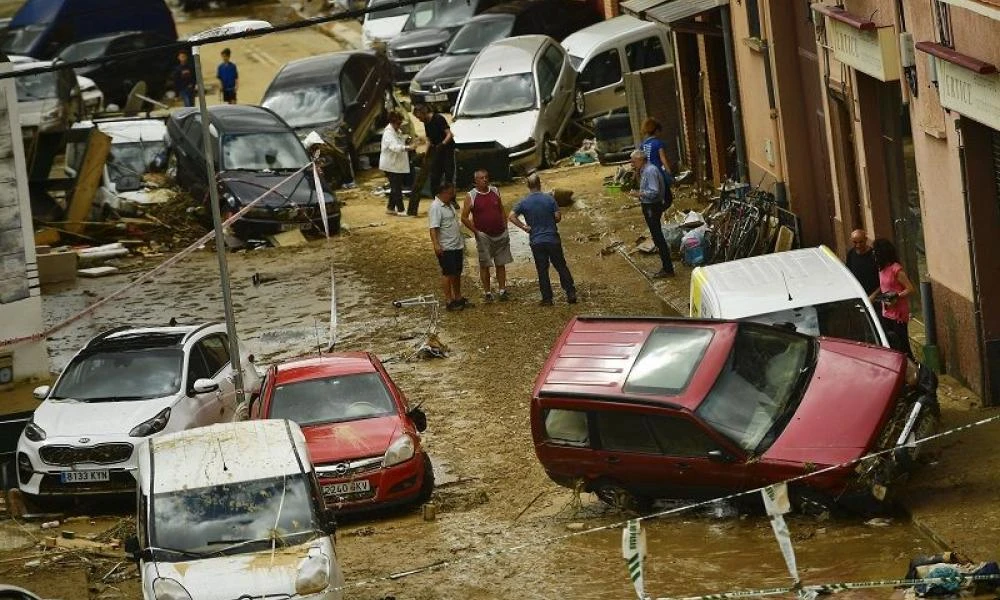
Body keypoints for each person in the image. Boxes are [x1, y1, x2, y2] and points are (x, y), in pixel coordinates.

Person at [509, 173, 576, 306]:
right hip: (552, 239)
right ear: (540, 184)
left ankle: (547, 299)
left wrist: (524, 227)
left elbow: (511, 216)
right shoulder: (550, 199)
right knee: (561, 266)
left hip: (536, 241)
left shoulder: (523, 202)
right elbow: (557, 217)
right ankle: (570, 293)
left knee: (542, 270)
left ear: (528, 186)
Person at [461, 169, 512, 302]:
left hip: (500, 233)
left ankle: (502, 290)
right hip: (484, 236)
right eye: (482, 178)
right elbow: (464, 218)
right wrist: (476, 232)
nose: (485, 180)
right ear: (476, 181)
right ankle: (488, 292)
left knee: (501, 263)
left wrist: (506, 227)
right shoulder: (471, 196)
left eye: (486, 177)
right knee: (485, 264)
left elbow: (501, 209)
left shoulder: (495, 191)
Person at [629, 149, 675, 277]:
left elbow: (654, 191)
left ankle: (668, 268)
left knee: (658, 237)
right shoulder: (645, 170)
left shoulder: (650, 171)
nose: (632, 164)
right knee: (656, 237)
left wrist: (638, 194)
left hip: (652, 206)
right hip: (650, 205)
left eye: (633, 161)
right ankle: (667, 267)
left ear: (640, 160)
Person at [870, 238, 916, 358]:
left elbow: (910, 288)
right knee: (891, 342)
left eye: (876, 253)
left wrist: (896, 296)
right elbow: (884, 286)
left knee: (902, 344)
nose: (874, 256)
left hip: (898, 314)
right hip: (886, 311)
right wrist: (875, 296)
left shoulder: (896, 269)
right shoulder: (881, 269)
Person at [429, 182, 470, 311]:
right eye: (450, 193)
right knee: (448, 273)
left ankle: (458, 297)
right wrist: (436, 244)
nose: (452, 195)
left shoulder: (449, 205)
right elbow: (433, 228)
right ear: (443, 192)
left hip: (456, 244)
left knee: (457, 272)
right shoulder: (436, 207)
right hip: (446, 246)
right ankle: (449, 300)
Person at [408, 104, 454, 217]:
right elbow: (429, 139)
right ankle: (437, 201)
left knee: (448, 176)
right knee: (434, 177)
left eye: (419, 117)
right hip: (435, 150)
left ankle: (452, 201)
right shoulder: (426, 122)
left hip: (446, 150)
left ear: (424, 113)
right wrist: (427, 153)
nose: (419, 120)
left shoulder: (438, 118)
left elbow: (449, 134)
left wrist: (442, 144)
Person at [380, 111, 416, 216]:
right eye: (398, 123)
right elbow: (394, 147)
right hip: (391, 165)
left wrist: (407, 140)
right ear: (392, 122)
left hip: (397, 164)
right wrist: (408, 148)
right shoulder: (388, 133)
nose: (399, 125)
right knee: (397, 188)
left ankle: (390, 208)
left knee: (396, 186)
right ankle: (401, 210)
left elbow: (400, 141)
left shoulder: (397, 131)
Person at [640, 117, 675, 207]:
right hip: (658, 173)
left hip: (647, 174)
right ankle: (660, 214)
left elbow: (640, 162)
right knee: (668, 198)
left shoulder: (643, 145)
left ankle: (656, 213)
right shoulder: (658, 143)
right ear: (656, 130)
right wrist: (669, 173)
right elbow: (663, 159)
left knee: (653, 197)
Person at [845, 229, 879, 297]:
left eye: (861, 242)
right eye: (855, 242)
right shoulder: (851, 254)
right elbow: (849, 275)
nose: (858, 245)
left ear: (866, 239)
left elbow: (883, 279)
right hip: (859, 296)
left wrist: (874, 296)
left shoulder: (874, 255)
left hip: (875, 297)